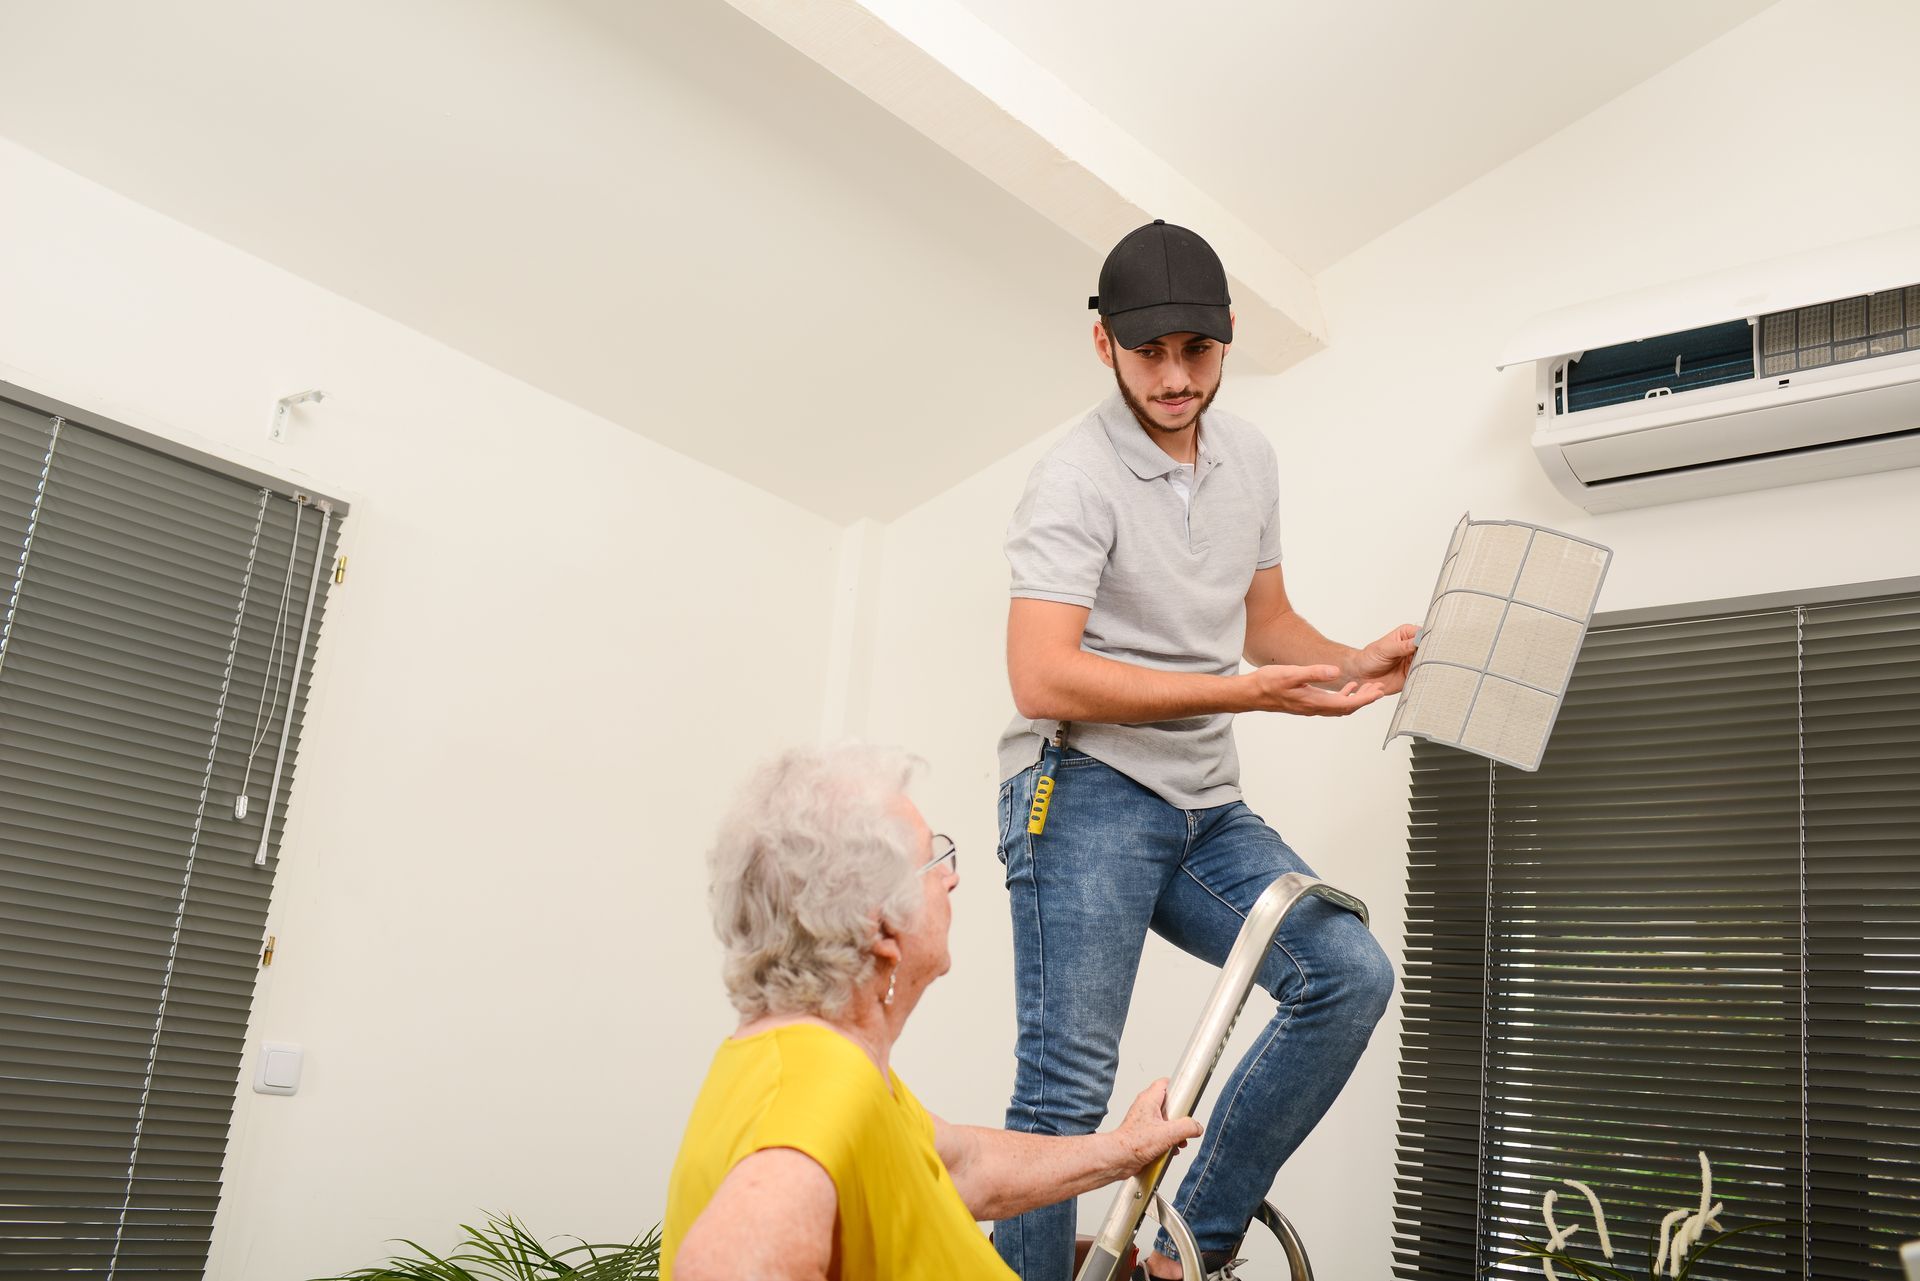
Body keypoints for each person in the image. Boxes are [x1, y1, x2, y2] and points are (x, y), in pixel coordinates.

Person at [992, 220, 1417, 1281]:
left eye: (1198, 350)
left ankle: (1186, 1254)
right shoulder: (1072, 480)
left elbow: (1265, 627)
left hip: (1204, 808)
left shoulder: (1250, 458)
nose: (1175, 378)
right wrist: (1247, 693)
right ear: (1106, 347)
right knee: (1066, 1086)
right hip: (1080, 789)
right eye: (1150, 354)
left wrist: (1348, 664)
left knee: (1347, 974)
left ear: (1228, 341)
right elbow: (1042, 675)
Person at [664, 744, 1202, 1281]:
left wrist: (1123, 1150)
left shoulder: (802, 1062)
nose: (951, 878)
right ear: (880, 928)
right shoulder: (819, 1096)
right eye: (933, 859)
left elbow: (965, 1166)